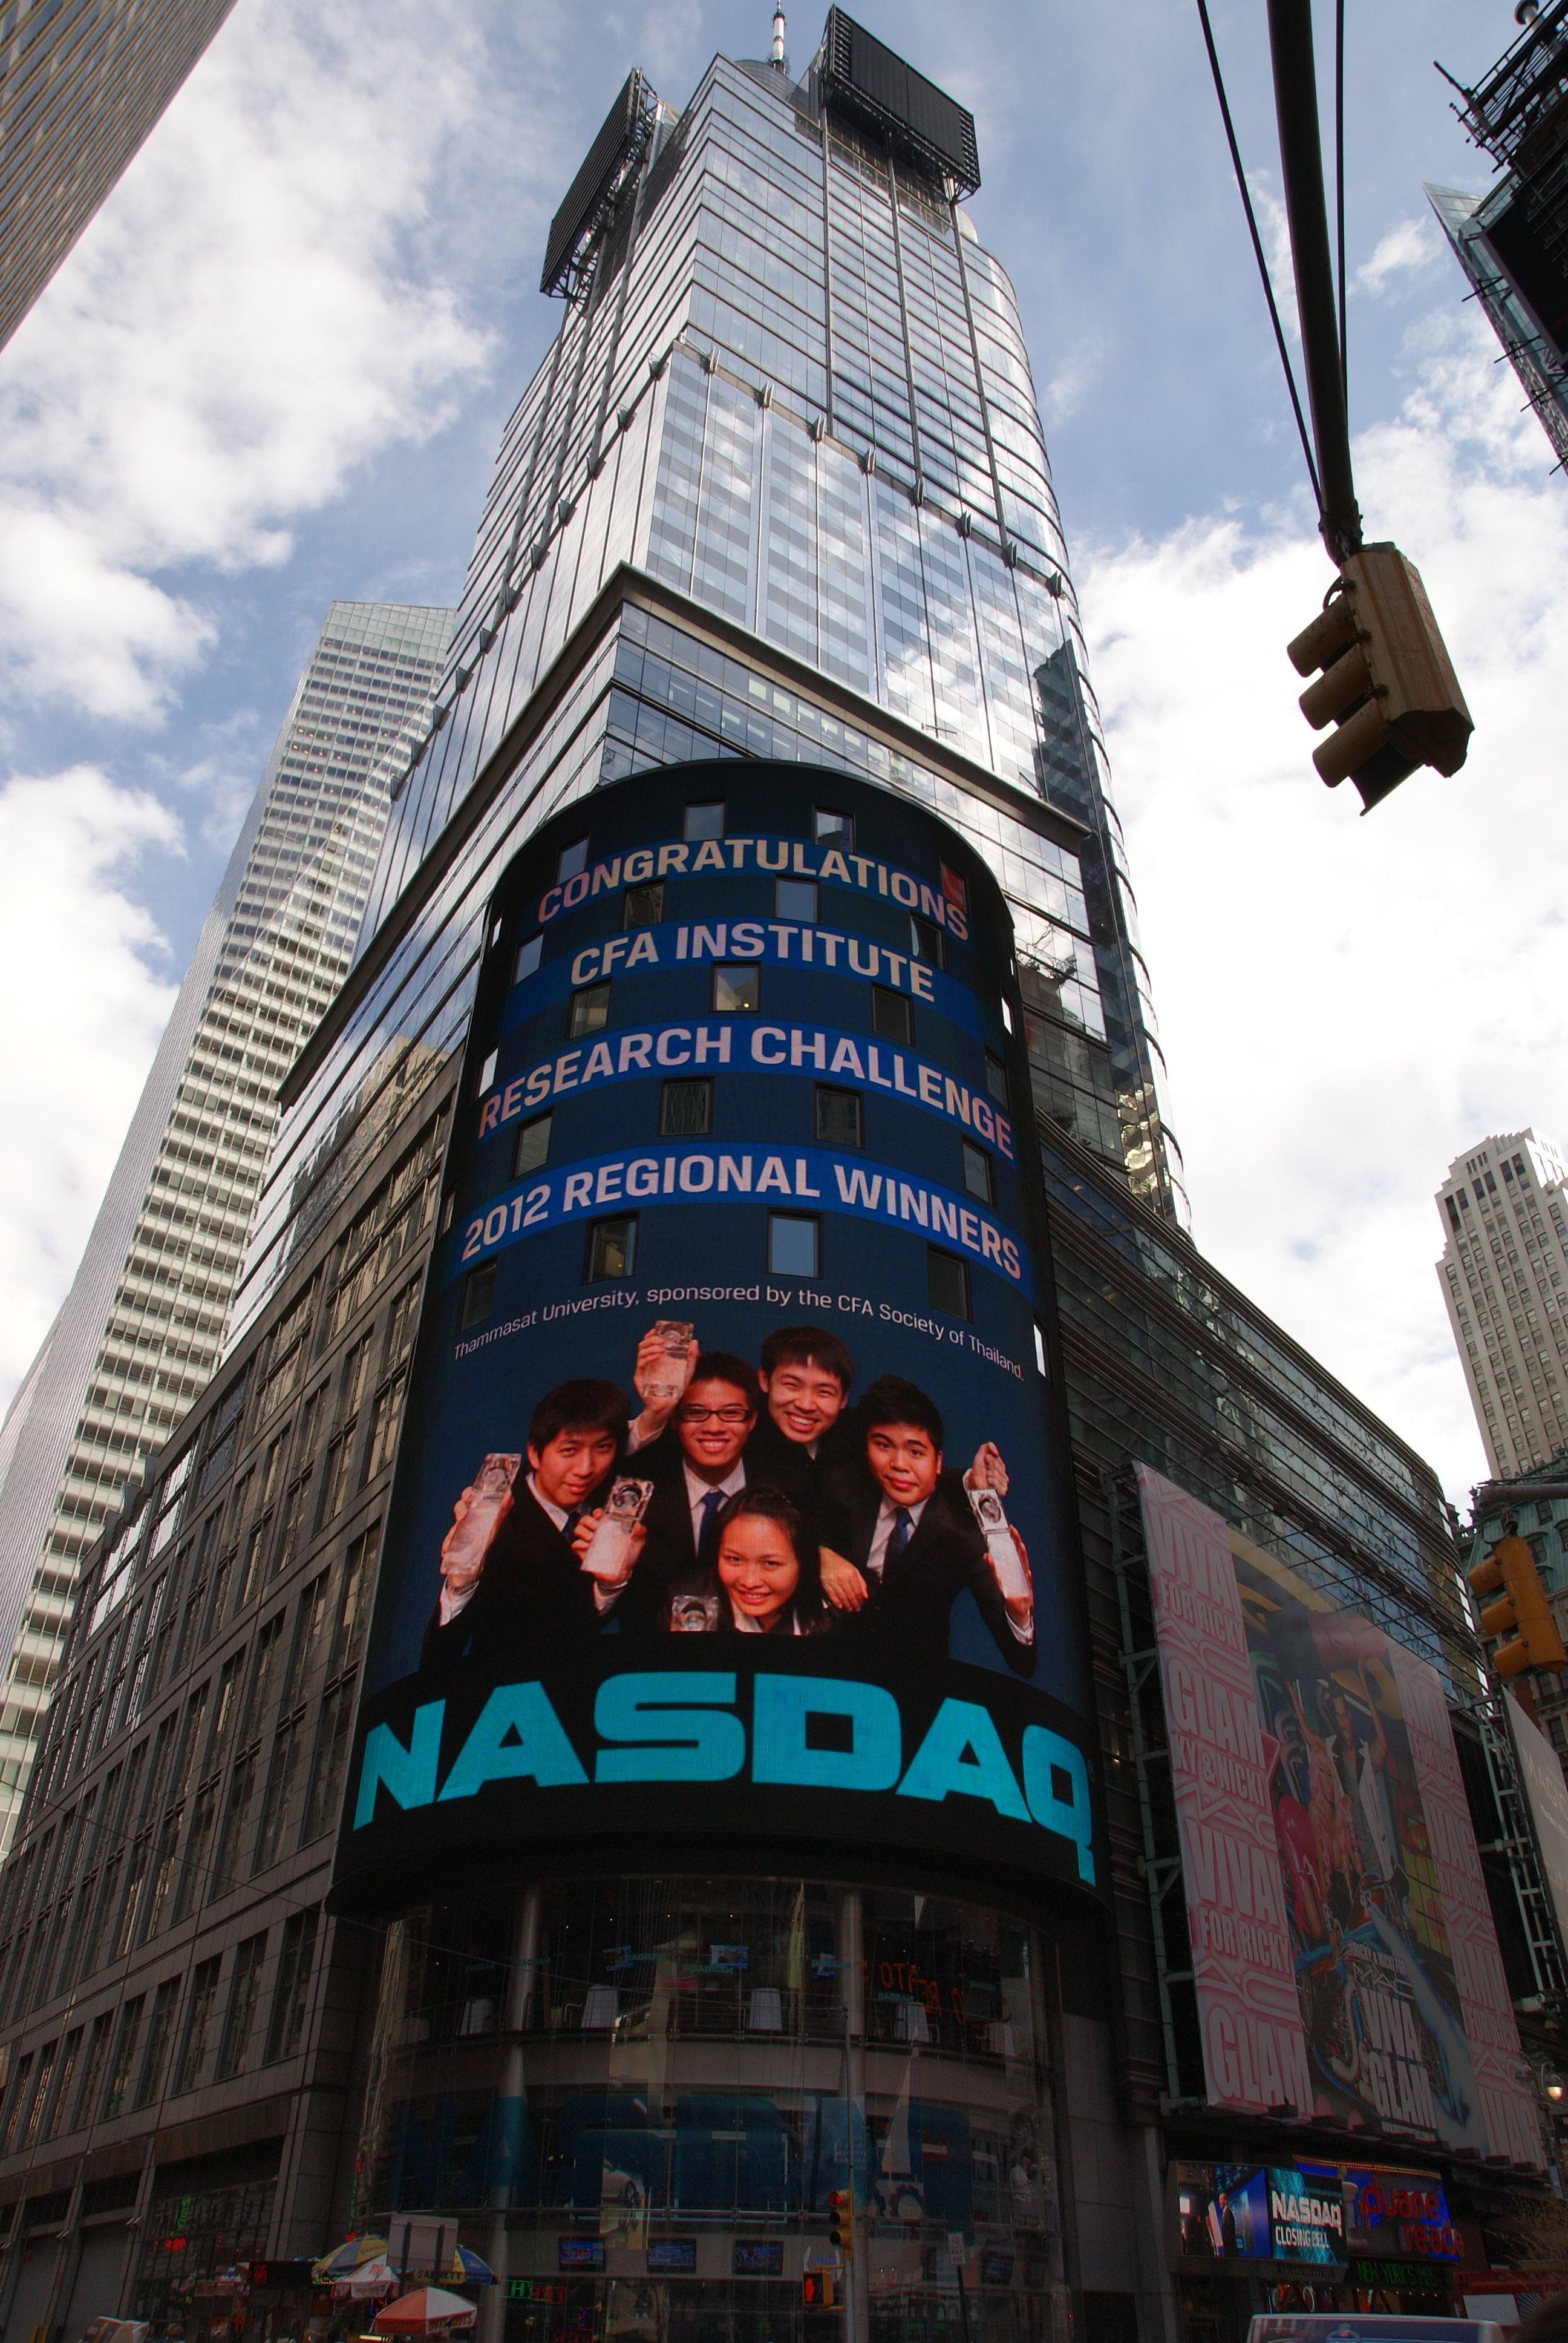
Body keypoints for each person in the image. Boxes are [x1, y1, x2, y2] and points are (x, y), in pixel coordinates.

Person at [821, 1377, 1035, 1676]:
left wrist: (1019, 1614)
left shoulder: (964, 1536)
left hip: (913, 1683)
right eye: (883, 1446)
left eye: (916, 1452)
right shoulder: (841, 1486)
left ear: (938, 1462)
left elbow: (1023, 1662)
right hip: (827, 1671)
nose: (899, 1464)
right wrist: (819, 1555)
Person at [420, 1379, 631, 1679]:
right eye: (569, 1451)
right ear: (534, 1453)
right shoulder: (493, 1524)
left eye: (603, 1448)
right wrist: (461, 1583)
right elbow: (437, 1661)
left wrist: (611, 1585)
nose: (586, 1468)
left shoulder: (619, 1500)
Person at [603, 1352, 760, 1632]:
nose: (714, 1427)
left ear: (752, 1420)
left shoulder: (787, 1487)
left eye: (731, 1413)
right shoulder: (633, 1489)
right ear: (674, 1420)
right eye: (696, 1413)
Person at [661, 1486, 828, 1636]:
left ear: (803, 1562)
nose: (750, 1582)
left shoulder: (830, 1612)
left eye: (770, 1564)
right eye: (734, 1559)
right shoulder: (685, 1605)